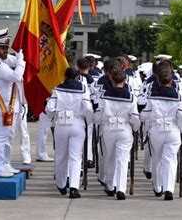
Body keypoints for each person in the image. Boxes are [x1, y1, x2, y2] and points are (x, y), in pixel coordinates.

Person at [140, 63, 182, 200]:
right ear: (171, 80)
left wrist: (141, 118)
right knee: (170, 160)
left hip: (157, 129)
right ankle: (168, 189)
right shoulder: (177, 95)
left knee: (157, 159)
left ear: (158, 80)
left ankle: (157, 187)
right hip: (172, 129)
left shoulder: (152, 95)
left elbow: (146, 114)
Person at [46, 67, 93, 198]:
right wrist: (88, 121)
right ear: (78, 77)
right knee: (75, 156)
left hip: (61, 123)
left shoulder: (57, 89)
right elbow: (88, 108)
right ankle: (73, 186)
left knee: (60, 155)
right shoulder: (83, 89)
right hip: (77, 122)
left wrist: (53, 115)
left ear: (65, 77)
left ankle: (61, 184)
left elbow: (49, 109)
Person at [95, 66, 140, 200]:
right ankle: (121, 188)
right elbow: (135, 117)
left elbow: (99, 115)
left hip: (109, 127)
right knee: (122, 159)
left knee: (109, 157)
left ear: (111, 80)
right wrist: (136, 128)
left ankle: (110, 185)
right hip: (124, 128)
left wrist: (98, 121)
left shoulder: (104, 95)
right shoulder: (131, 97)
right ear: (125, 81)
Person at [0, 29, 26, 177]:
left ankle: (5, 163)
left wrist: (20, 55)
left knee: (8, 138)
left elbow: (15, 61)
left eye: (6, 48)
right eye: (3, 48)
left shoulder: (3, 60)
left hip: (11, 106)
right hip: (1, 107)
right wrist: (21, 59)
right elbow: (17, 76)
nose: (6, 51)